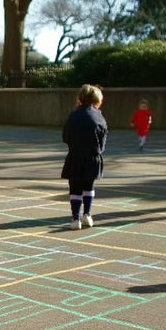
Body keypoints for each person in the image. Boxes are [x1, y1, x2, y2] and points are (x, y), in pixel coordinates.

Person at [61, 84, 108, 230]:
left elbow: (65, 136)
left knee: (75, 187)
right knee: (88, 185)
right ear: (96, 101)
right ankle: (87, 214)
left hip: (75, 156)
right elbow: (103, 141)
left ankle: (75, 218)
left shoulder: (73, 115)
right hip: (93, 157)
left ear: (80, 99)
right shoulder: (99, 117)